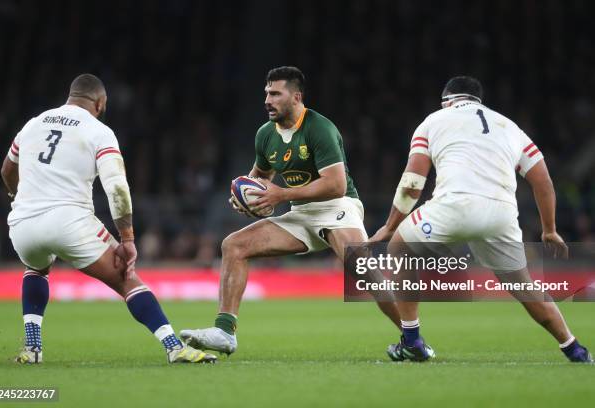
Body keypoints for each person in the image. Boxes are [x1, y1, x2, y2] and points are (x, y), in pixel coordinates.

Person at [180, 66, 403, 354]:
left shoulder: (319, 127)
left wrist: (280, 194)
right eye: (266, 93)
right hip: (301, 213)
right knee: (234, 245)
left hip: (338, 206)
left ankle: (411, 336)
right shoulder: (265, 134)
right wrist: (248, 196)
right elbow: (261, 177)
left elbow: (335, 185)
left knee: (363, 271)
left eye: (275, 94)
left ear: (296, 97)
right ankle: (225, 331)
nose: (267, 100)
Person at [370, 76, 592, 363]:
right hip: (501, 214)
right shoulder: (509, 126)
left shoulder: (434, 120)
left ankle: (411, 341)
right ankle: (575, 349)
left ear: (447, 100)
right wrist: (549, 229)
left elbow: (413, 182)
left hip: (454, 205)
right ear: (478, 100)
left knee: (399, 248)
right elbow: (543, 181)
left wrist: (389, 226)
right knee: (524, 286)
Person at [1, 73, 216, 364]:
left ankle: (32, 348)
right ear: (100, 103)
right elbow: (116, 187)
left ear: (70, 95)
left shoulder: (33, 123)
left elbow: (6, 171)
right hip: (69, 222)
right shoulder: (98, 130)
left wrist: (17, 197)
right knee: (127, 280)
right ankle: (174, 346)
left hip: (22, 225)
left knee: (36, 268)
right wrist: (127, 239)